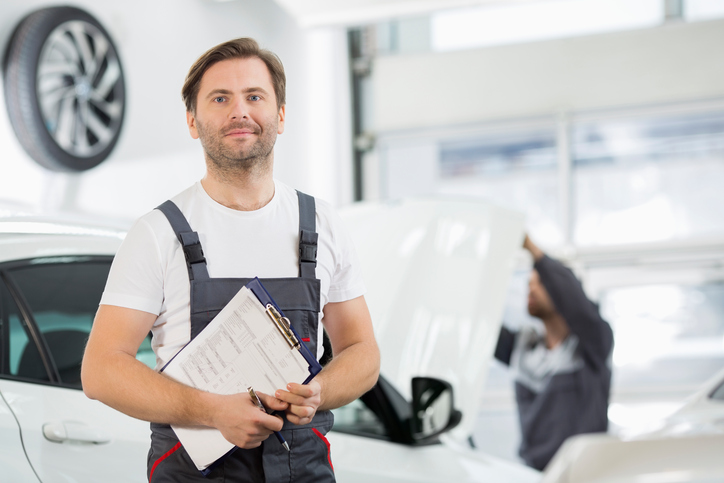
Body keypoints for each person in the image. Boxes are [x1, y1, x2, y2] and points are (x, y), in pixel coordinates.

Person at [81, 37, 380, 482]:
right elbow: (101, 369)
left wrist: (319, 391)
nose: (239, 111)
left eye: (254, 96)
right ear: (193, 121)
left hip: (305, 471)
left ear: (280, 115)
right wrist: (212, 411)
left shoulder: (322, 224)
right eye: (220, 98)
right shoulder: (158, 233)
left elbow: (363, 352)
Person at [494, 235, 613, 471]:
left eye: (539, 281)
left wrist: (532, 249)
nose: (530, 286)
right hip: (535, 474)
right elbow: (481, 324)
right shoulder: (522, 348)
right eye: (530, 281)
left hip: (584, 474)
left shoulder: (593, 344)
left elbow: (577, 304)